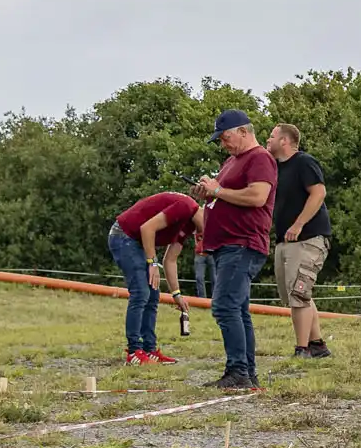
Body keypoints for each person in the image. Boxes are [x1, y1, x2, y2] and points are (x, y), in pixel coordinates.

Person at [196, 110, 278, 390]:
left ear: (244, 131)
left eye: (225, 137)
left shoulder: (259, 158)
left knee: (225, 306)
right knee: (238, 309)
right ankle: (247, 373)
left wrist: (217, 191)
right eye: (219, 140)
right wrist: (210, 191)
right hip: (226, 244)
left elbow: (258, 196)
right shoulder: (232, 161)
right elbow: (225, 194)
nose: (223, 144)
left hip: (241, 243)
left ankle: (238, 372)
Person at [109, 190, 202, 364]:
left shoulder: (190, 225)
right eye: (206, 236)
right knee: (141, 293)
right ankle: (134, 351)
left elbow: (171, 260)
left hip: (138, 243)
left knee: (153, 295)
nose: (202, 240)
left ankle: (149, 350)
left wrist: (177, 294)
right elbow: (147, 228)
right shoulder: (185, 206)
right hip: (124, 236)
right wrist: (152, 263)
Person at [266, 122, 332, 358]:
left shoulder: (304, 162)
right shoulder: (274, 169)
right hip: (286, 241)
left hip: (308, 238)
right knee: (297, 295)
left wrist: (299, 223)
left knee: (298, 293)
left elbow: (319, 192)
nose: (268, 140)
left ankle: (301, 349)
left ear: (285, 141)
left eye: (272, 136)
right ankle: (318, 345)